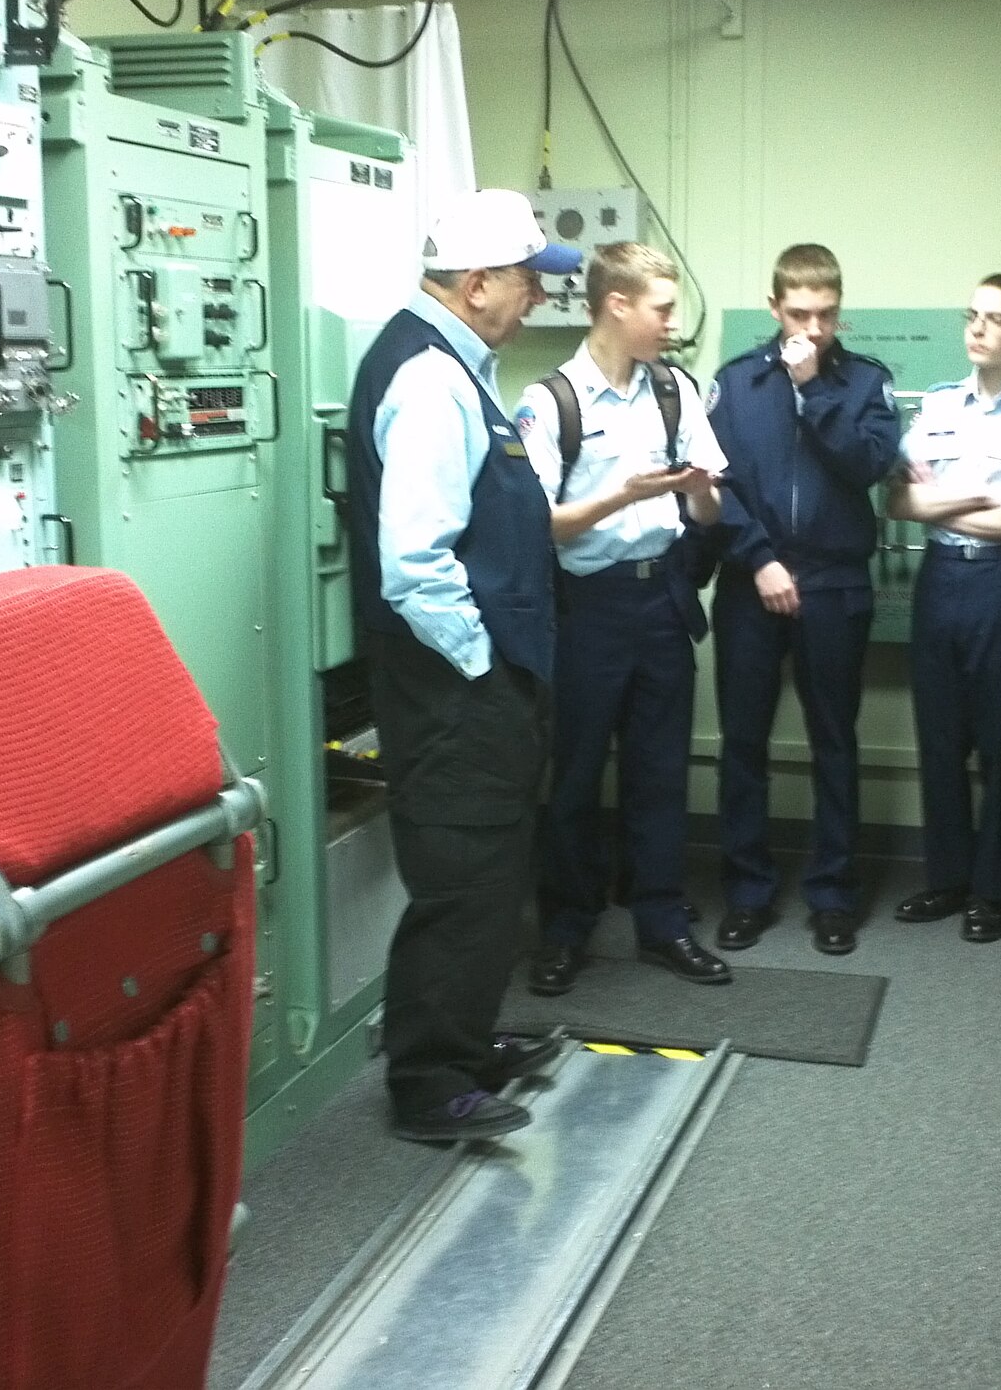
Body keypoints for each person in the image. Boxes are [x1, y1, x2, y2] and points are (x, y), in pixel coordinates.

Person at [344, 189, 581, 1142]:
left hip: (478, 679)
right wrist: (483, 668)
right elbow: (415, 561)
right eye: (526, 280)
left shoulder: (458, 366)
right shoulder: (432, 381)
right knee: (460, 878)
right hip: (454, 686)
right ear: (476, 282)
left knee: (488, 873)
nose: (536, 297)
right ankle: (427, 1082)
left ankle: (466, 1042)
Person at [516, 243, 731, 996]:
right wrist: (625, 495)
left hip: (662, 600)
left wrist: (698, 493)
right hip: (589, 609)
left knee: (659, 774)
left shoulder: (674, 390)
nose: (672, 324)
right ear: (616, 305)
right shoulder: (552, 403)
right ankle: (566, 929)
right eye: (662, 309)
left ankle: (663, 921)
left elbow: (708, 507)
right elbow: (541, 524)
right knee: (574, 777)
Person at [706, 244, 901, 956]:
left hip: (833, 585)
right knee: (744, 744)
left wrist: (816, 387)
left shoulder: (865, 385)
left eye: (824, 315)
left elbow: (869, 465)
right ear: (774, 308)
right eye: (798, 314)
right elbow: (713, 482)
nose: (811, 329)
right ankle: (747, 893)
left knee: (834, 743)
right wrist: (757, 559)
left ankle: (832, 895)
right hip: (751, 584)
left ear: (839, 311)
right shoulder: (734, 383)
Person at [887, 274, 1001, 943]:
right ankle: (946, 880)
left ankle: (994, 890)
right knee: (939, 738)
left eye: (997, 319)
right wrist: (980, 499)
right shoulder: (938, 406)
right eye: (973, 315)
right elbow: (900, 503)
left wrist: (951, 498)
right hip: (941, 579)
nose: (979, 328)